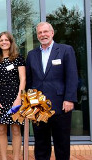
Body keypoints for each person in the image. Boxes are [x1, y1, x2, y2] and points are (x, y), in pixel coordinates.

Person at [26, 22, 78, 160]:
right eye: (39, 33)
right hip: (38, 106)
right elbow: (29, 82)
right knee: (41, 144)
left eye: (45, 32)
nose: (43, 35)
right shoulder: (31, 55)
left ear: (52, 33)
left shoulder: (65, 50)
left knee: (61, 144)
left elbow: (72, 76)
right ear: (37, 36)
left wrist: (69, 99)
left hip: (61, 105)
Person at [0, 31, 26, 160]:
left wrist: (19, 98)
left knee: (16, 130)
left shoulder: (18, 58)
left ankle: (16, 158)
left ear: (10, 42)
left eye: (6, 40)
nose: (4, 42)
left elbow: (23, 79)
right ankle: (3, 158)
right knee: (1, 130)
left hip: (15, 97)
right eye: (1, 40)